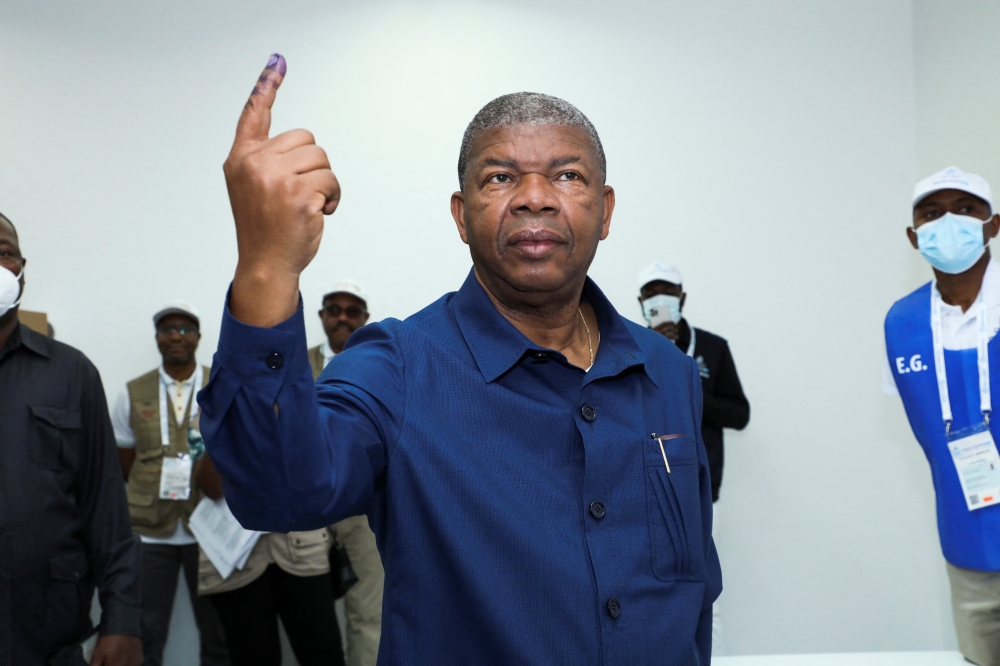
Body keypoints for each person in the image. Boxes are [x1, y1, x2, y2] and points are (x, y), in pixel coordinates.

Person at [200, 55, 720, 664]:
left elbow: (692, 592)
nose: (535, 199)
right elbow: (276, 495)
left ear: (604, 211)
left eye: (567, 176)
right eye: (500, 178)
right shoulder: (396, 366)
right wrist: (267, 265)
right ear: (460, 214)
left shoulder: (669, 371)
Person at [0, 212, 142, 666]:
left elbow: (106, 507)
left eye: (3, 253)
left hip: (46, 634)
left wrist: (122, 621)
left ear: (22, 269)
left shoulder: (71, 373)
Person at [884, 166, 1000, 666]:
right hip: (967, 547)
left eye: (965, 208)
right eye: (932, 214)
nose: (948, 221)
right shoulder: (902, 322)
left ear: (993, 224)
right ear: (914, 237)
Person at [110, 303, 229, 666]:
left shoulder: (219, 386)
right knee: (145, 632)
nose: (176, 336)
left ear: (198, 337)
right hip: (149, 532)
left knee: (218, 631)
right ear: (157, 338)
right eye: (167, 329)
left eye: (184, 329)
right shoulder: (132, 392)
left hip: (208, 527)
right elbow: (124, 461)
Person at [194, 454, 346, 666]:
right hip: (236, 556)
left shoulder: (301, 418)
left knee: (324, 655)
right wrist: (224, 427)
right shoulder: (206, 420)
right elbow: (211, 488)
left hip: (301, 545)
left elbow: (318, 469)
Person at [309, 281, 384, 666]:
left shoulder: (378, 363)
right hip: (304, 510)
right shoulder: (293, 365)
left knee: (368, 611)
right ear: (321, 316)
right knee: (310, 619)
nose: (342, 317)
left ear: (365, 318)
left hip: (361, 508)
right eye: (334, 309)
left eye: (351, 311)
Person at [638, 262, 750, 503]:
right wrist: (654, 351)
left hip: (701, 484)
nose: (660, 299)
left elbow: (740, 416)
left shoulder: (713, 347)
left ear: (682, 297)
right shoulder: (629, 349)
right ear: (641, 302)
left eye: (668, 291)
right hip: (645, 482)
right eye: (652, 293)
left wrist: (691, 391)